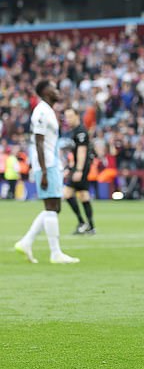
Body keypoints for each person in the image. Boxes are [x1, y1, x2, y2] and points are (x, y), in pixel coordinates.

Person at [14, 80, 79, 264]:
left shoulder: (49, 111)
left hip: (51, 163)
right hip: (47, 164)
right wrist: (43, 171)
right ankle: (55, 253)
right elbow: (39, 141)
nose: (57, 91)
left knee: (54, 207)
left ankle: (26, 242)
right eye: (53, 87)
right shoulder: (41, 111)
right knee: (52, 207)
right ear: (45, 91)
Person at [63, 108, 96, 234]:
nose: (68, 119)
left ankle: (82, 223)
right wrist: (71, 168)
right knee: (83, 195)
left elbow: (82, 151)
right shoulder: (75, 131)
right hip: (78, 166)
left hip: (81, 167)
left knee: (67, 193)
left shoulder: (81, 131)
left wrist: (79, 170)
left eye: (70, 116)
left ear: (77, 116)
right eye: (66, 117)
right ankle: (90, 226)